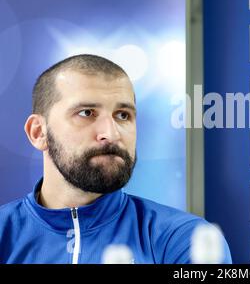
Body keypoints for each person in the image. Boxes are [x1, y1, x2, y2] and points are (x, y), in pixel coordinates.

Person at [0, 54, 232, 264]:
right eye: (86, 113)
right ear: (38, 133)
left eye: (123, 115)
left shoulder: (183, 239)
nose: (111, 134)